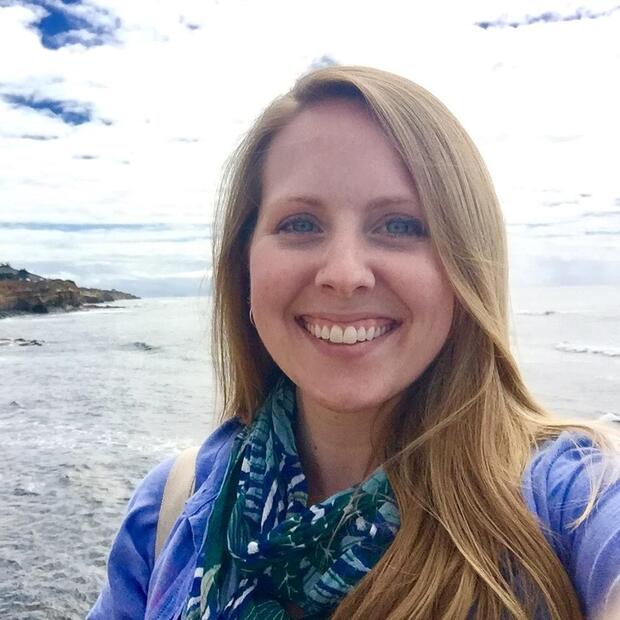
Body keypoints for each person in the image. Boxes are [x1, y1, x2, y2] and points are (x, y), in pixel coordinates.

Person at [88, 66, 620, 619]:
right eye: (299, 224)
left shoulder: (576, 500)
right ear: (244, 260)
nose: (344, 274)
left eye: (400, 226)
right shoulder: (171, 508)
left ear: (467, 264)